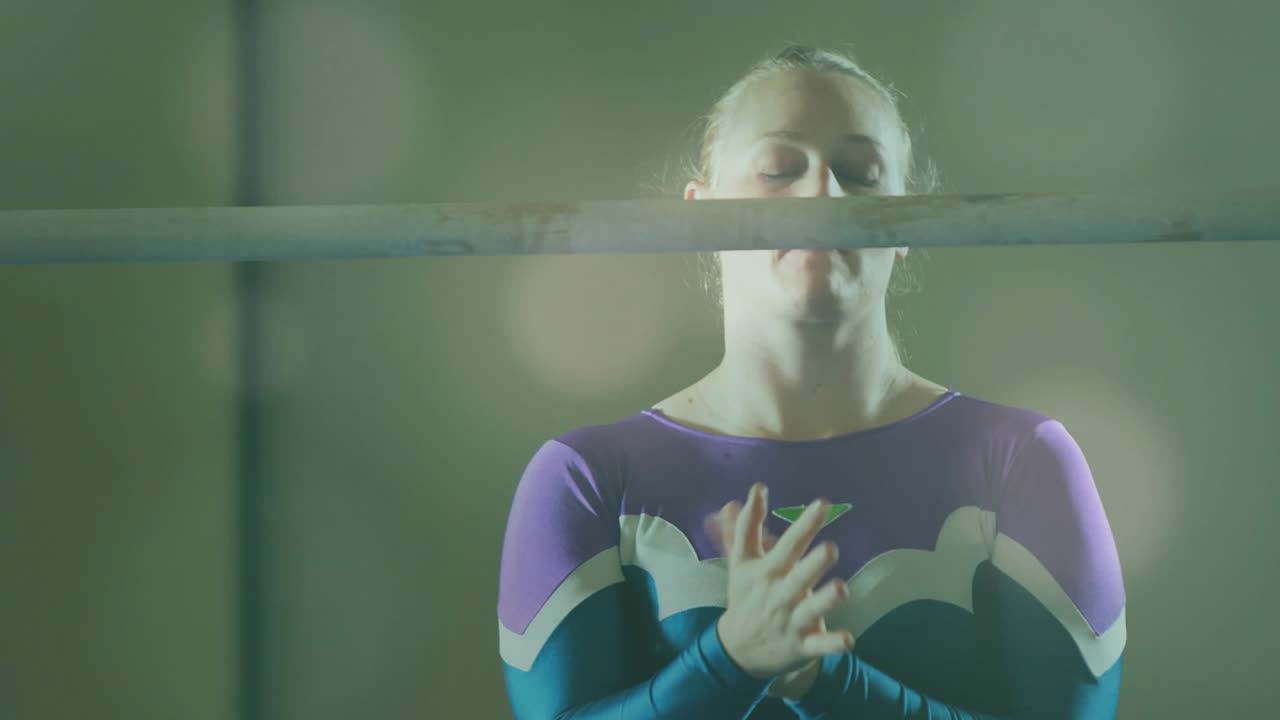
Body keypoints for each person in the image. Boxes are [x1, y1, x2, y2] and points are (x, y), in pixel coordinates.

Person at [497, 45, 1126, 719]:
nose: (823, 194)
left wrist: (824, 678)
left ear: (910, 221)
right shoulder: (587, 477)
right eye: (778, 169)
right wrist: (729, 660)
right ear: (698, 216)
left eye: (860, 174)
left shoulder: (1019, 460)